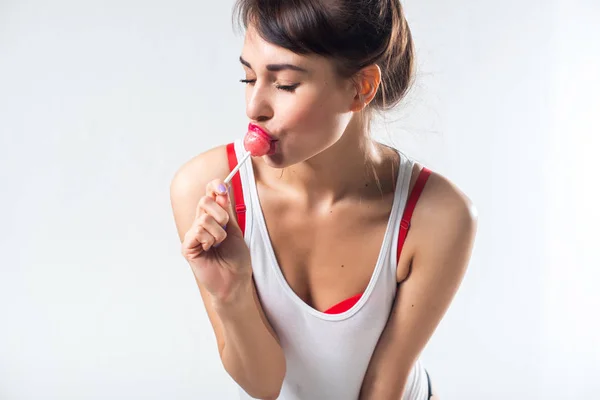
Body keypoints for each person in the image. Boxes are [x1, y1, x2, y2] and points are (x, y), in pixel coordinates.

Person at [170, 1, 478, 399]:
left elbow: (385, 386)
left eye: (284, 84)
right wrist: (230, 292)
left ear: (360, 88)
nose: (254, 108)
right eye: (248, 78)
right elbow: (264, 386)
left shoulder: (438, 215)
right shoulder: (202, 188)